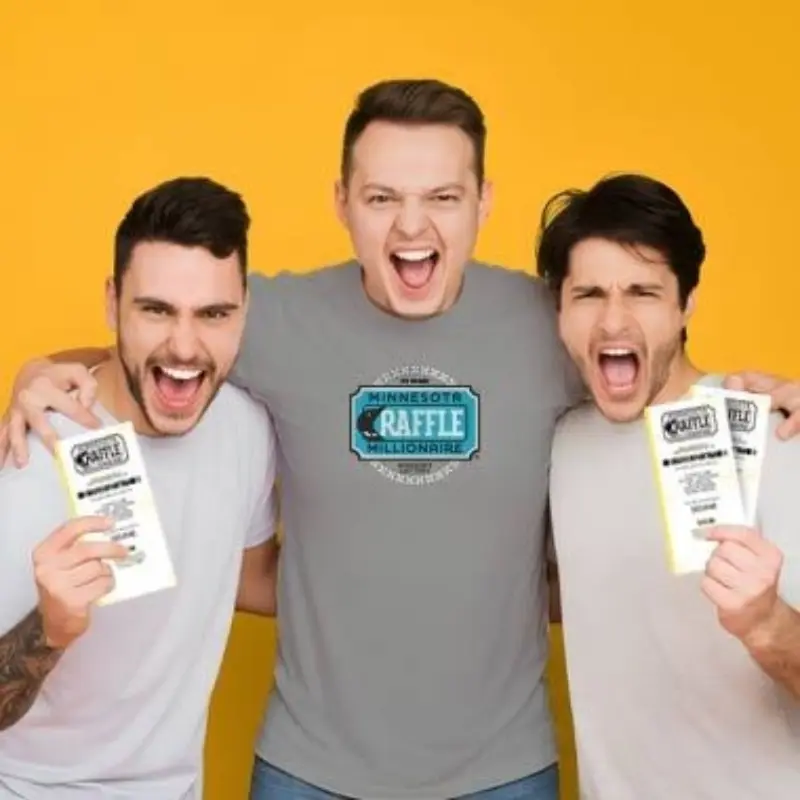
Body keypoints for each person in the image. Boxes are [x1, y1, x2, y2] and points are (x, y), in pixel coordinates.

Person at [2, 81, 800, 800]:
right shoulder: (270, 318)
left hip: (504, 770)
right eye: (382, 196)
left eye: (442, 197)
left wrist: (759, 396)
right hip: (306, 767)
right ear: (342, 200)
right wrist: (42, 373)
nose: (412, 226)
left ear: (482, 203)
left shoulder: (557, 322)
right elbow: (164, 345)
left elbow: (651, 363)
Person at [0, 176, 280, 799]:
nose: (184, 345)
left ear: (243, 314)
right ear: (112, 304)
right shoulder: (28, 456)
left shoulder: (248, 428)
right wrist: (47, 632)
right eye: (155, 310)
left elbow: (252, 577)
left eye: (213, 314)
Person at [540, 173, 800, 799]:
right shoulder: (558, 445)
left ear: (687, 304)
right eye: (589, 294)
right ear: (558, 310)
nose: (614, 320)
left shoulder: (777, 437)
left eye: (644, 292)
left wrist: (765, 622)